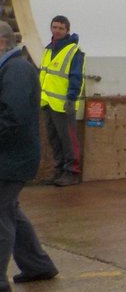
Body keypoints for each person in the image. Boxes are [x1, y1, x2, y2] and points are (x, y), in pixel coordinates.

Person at [1, 22, 58, 292]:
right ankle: (37, 265)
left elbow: (13, 116)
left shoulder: (18, 70)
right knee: (9, 209)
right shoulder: (10, 68)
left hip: (12, 158)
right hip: (10, 156)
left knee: (2, 212)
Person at [37, 15, 85, 186]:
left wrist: (71, 98)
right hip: (48, 102)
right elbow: (44, 75)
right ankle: (59, 170)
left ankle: (72, 172)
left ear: (67, 30)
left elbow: (76, 77)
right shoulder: (48, 49)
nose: (57, 31)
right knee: (54, 138)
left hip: (64, 104)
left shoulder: (74, 52)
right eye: (54, 27)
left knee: (68, 139)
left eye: (60, 28)